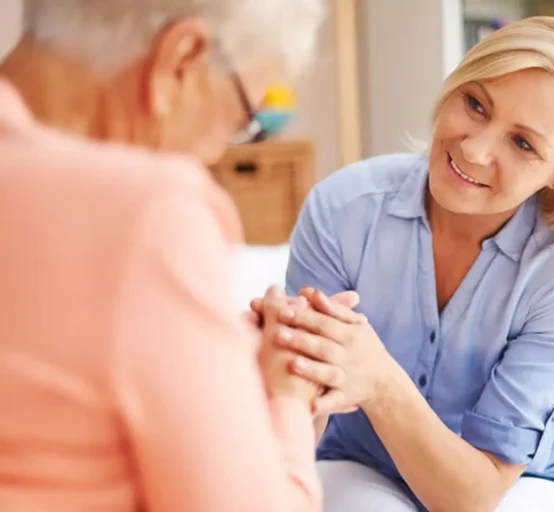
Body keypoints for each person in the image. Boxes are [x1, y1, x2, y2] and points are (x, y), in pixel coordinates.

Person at [254, 16, 554, 512]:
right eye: (475, 104)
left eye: (522, 143)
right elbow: (296, 422)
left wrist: (377, 378)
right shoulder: (342, 210)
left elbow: (474, 497)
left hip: (522, 484)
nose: (474, 150)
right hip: (360, 462)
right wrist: (279, 369)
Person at [0, 0, 327, 510]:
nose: (221, 151)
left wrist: (211, 352)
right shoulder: (148, 212)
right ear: (182, 59)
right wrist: (289, 399)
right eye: (242, 116)